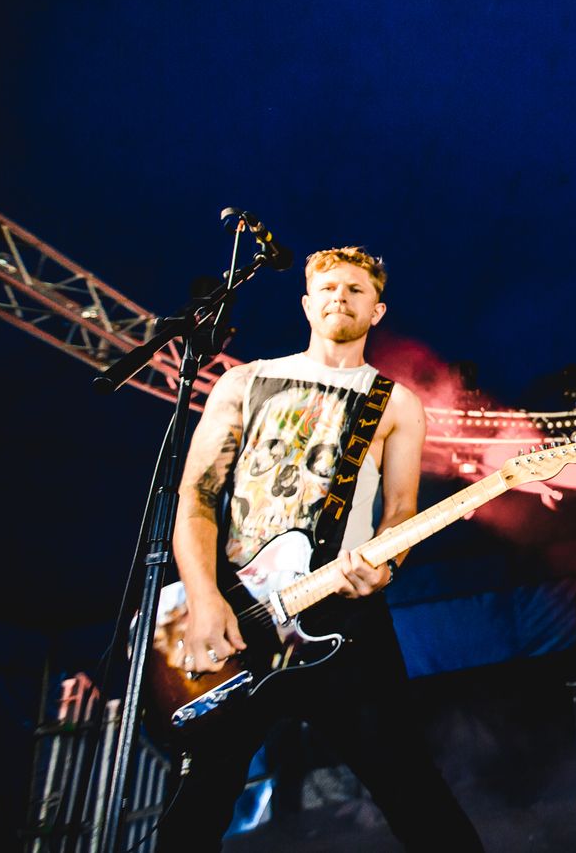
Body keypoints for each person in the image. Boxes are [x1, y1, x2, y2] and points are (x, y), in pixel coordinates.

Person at [159, 246, 484, 851]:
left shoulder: (395, 403)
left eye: (356, 290)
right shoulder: (244, 382)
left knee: (411, 786)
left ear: (377, 311)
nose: (341, 297)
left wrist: (384, 567)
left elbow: (400, 511)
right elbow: (197, 497)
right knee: (200, 798)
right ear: (307, 303)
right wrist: (204, 598)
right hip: (237, 613)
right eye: (329, 288)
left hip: (343, 612)